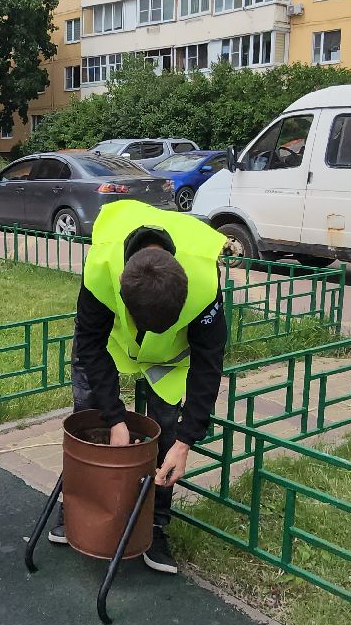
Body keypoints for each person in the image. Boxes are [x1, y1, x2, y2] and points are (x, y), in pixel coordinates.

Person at [51, 198, 227, 575]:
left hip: (169, 358)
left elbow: (208, 365)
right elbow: (89, 344)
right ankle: (80, 506)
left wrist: (186, 442)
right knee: (89, 418)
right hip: (112, 344)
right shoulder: (102, 267)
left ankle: (155, 521)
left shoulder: (204, 279)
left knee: (164, 432)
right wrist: (115, 419)